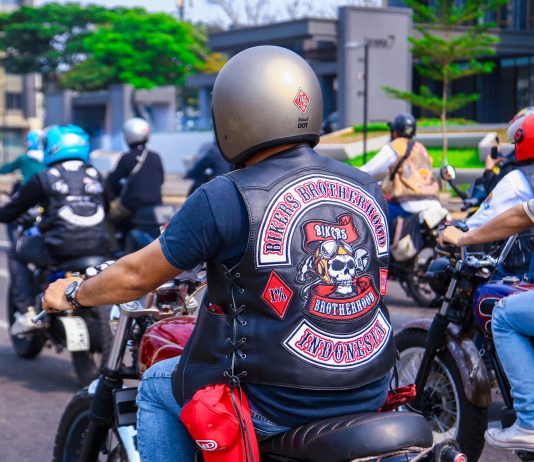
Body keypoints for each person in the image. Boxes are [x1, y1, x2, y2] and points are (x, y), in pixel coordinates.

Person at [42, 46, 396, 461]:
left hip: (276, 401)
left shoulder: (226, 195)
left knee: (156, 385)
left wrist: (73, 293)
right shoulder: (365, 185)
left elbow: (136, 275)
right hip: (371, 386)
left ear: (233, 113)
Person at [439, 201, 534, 451]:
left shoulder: (512, 181)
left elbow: (520, 215)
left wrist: (463, 238)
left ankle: (530, 422)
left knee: (503, 315)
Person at [6, 125, 109, 335]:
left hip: (59, 247)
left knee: (15, 251)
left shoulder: (44, 177)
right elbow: (106, 208)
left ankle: (26, 312)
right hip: (99, 246)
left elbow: (11, 211)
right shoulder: (95, 174)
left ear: (52, 147)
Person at [360, 113, 441, 222]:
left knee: (374, 213)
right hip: (434, 203)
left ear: (394, 132)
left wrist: (350, 174)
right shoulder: (420, 148)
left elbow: (369, 169)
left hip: (410, 203)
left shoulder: (395, 147)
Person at [105, 117, 164, 222]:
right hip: (155, 205)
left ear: (129, 135)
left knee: (108, 220)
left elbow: (112, 183)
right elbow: (161, 180)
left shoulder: (127, 158)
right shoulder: (156, 156)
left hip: (132, 207)